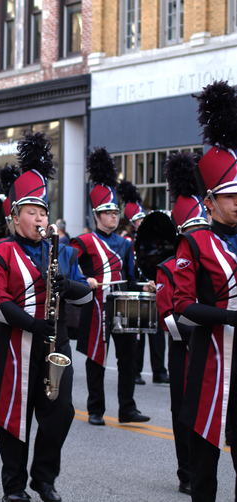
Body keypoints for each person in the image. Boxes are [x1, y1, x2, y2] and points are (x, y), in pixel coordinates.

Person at [0, 131, 91, 502]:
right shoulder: (0, 251)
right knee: (13, 418)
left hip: (54, 344)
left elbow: (85, 294)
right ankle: (13, 487)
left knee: (60, 413)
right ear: (15, 216)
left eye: (44, 212)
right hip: (14, 344)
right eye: (32, 211)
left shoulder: (64, 252)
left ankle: (44, 478)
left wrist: (63, 281)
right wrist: (32, 324)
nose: (40, 218)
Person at [172, 81, 237, 502]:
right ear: (210, 201)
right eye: (232, 197)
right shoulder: (194, 243)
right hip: (210, 365)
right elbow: (182, 307)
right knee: (205, 467)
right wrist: (230, 317)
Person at [71, 147, 154, 427]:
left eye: (115, 212)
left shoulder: (126, 244)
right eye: (107, 212)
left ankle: (127, 408)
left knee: (128, 357)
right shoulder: (83, 242)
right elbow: (68, 264)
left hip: (124, 301)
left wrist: (145, 287)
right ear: (96, 216)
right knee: (96, 358)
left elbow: (131, 276)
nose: (113, 216)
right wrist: (85, 280)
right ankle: (95, 409)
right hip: (96, 304)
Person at [155, 150, 210, 496]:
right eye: (194, 229)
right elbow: (170, 320)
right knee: (183, 412)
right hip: (185, 348)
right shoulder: (167, 268)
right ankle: (186, 470)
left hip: (216, 346)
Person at [118, 180, 169, 385]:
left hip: (152, 287)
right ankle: (136, 371)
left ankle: (159, 370)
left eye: (143, 217)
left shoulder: (151, 238)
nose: (142, 221)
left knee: (156, 332)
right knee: (137, 331)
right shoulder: (128, 240)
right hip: (137, 288)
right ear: (132, 221)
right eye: (138, 219)